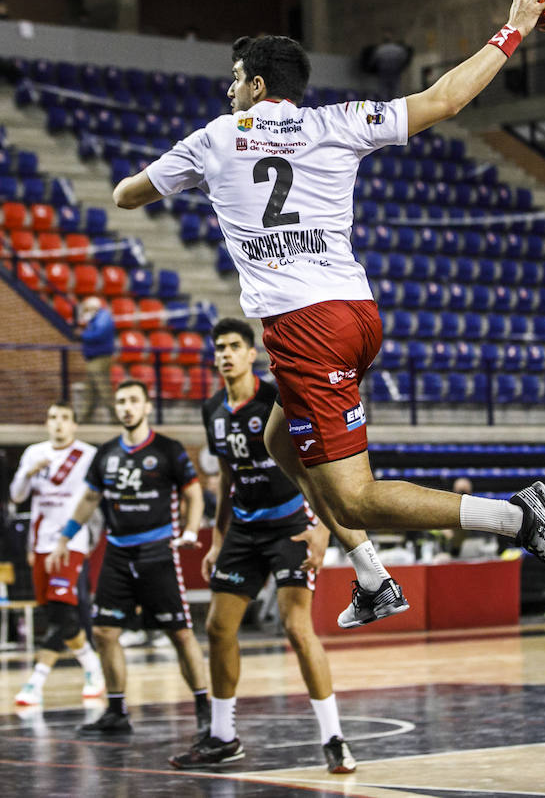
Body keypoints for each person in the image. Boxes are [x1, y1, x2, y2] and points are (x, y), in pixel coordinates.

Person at [111, 0, 545, 632]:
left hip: (305, 330)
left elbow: (128, 196)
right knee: (279, 439)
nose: (229, 88)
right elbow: (444, 98)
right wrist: (516, 27)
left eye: (236, 77)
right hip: (356, 315)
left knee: (355, 499)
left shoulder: (217, 136)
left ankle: (516, 516)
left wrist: (134, 186)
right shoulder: (338, 121)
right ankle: (372, 575)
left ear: (256, 86)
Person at [168, 318, 355, 774]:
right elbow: (229, 477)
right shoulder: (212, 409)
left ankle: (334, 738)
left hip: (292, 524)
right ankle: (223, 736)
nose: (225, 354)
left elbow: (316, 463)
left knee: (296, 628)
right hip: (243, 530)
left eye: (234, 346)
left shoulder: (275, 398)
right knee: (216, 628)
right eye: (219, 348)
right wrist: (217, 541)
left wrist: (323, 530)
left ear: (252, 354)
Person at [45, 380, 210, 735]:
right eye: (120, 401)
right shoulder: (105, 454)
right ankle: (117, 711)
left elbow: (193, 494)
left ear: (147, 406)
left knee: (180, 634)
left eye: (134, 400)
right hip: (118, 553)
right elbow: (89, 500)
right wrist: (64, 537)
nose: (126, 407)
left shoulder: (168, 449)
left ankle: (204, 707)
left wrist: (192, 531)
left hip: (158, 552)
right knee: (104, 632)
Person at [8, 401, 106, 707]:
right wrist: (27, 472)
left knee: (63, 611)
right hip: (40, 544)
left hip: (71, 543)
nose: (58, 423)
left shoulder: (89, 454)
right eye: (53, 418)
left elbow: (96, 500)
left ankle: (35, 682)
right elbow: (17, 496)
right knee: (56, 616)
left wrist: (89, 538)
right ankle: (93, 668)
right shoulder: (34, 454)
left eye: (65, 418)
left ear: (74, 424)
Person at [77, 296, 116, 423]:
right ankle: (84, 419)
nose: (85, 311)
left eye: (87, 308)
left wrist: (82, 335)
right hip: (93, 359)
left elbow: (98, 335)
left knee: (103, 389)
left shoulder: (103, 317)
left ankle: (116, 417)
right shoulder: (95, 318)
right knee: (90, 390)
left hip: (100, 358)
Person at [363, 31, 413, 99]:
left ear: (383, 40)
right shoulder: (398, 49)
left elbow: (373, 61)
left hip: (383, 72)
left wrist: (370, 69)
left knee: (383, 91)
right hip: (395, 71)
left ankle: (385, 106)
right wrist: (401, 67)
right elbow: (404, 58)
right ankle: (396, 106)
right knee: (396, 90)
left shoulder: (379, 49)